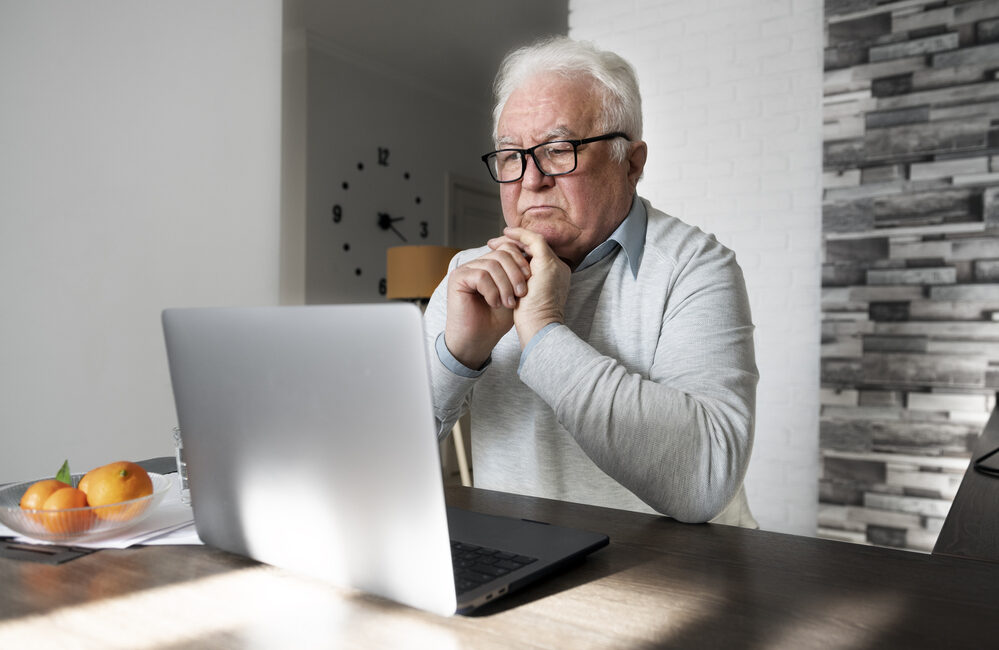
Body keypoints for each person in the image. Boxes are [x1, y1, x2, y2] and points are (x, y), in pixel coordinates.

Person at [424, 36, 759, 526]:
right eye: (511, 155)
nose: (530, 180)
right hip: (522, 571)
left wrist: (543, 332)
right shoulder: (470, 278)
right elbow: (373, 456)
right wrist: (457, 357)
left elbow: (706, 480)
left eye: (559, 150)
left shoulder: (698, 267)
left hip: (676, 580)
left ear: (633, 163)